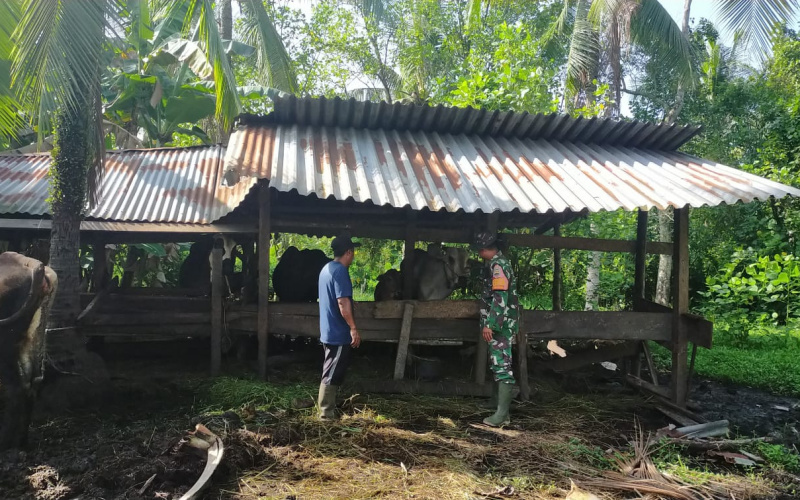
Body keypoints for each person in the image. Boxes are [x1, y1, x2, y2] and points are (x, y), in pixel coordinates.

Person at [473, 231, 520, 427]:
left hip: (500, 325)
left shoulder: (498, 266)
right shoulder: (497, 263)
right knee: (497, 362)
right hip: (502, 324)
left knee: (502, 366)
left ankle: (502, 415)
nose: (478, 254)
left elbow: (500, 299)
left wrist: (490, 325)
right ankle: (497, 404)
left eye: (479, 250)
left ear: (484, 250)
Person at [317, 233, 362, 420]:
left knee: (331, 369)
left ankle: (329, 408)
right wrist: (353, 328)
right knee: (331, 373)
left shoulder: (326, 268)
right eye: (353, 252)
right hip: (338, 331)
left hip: (328, 329)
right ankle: (325, 415)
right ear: (348, 252)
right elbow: (343, 303)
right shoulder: (341, 271)